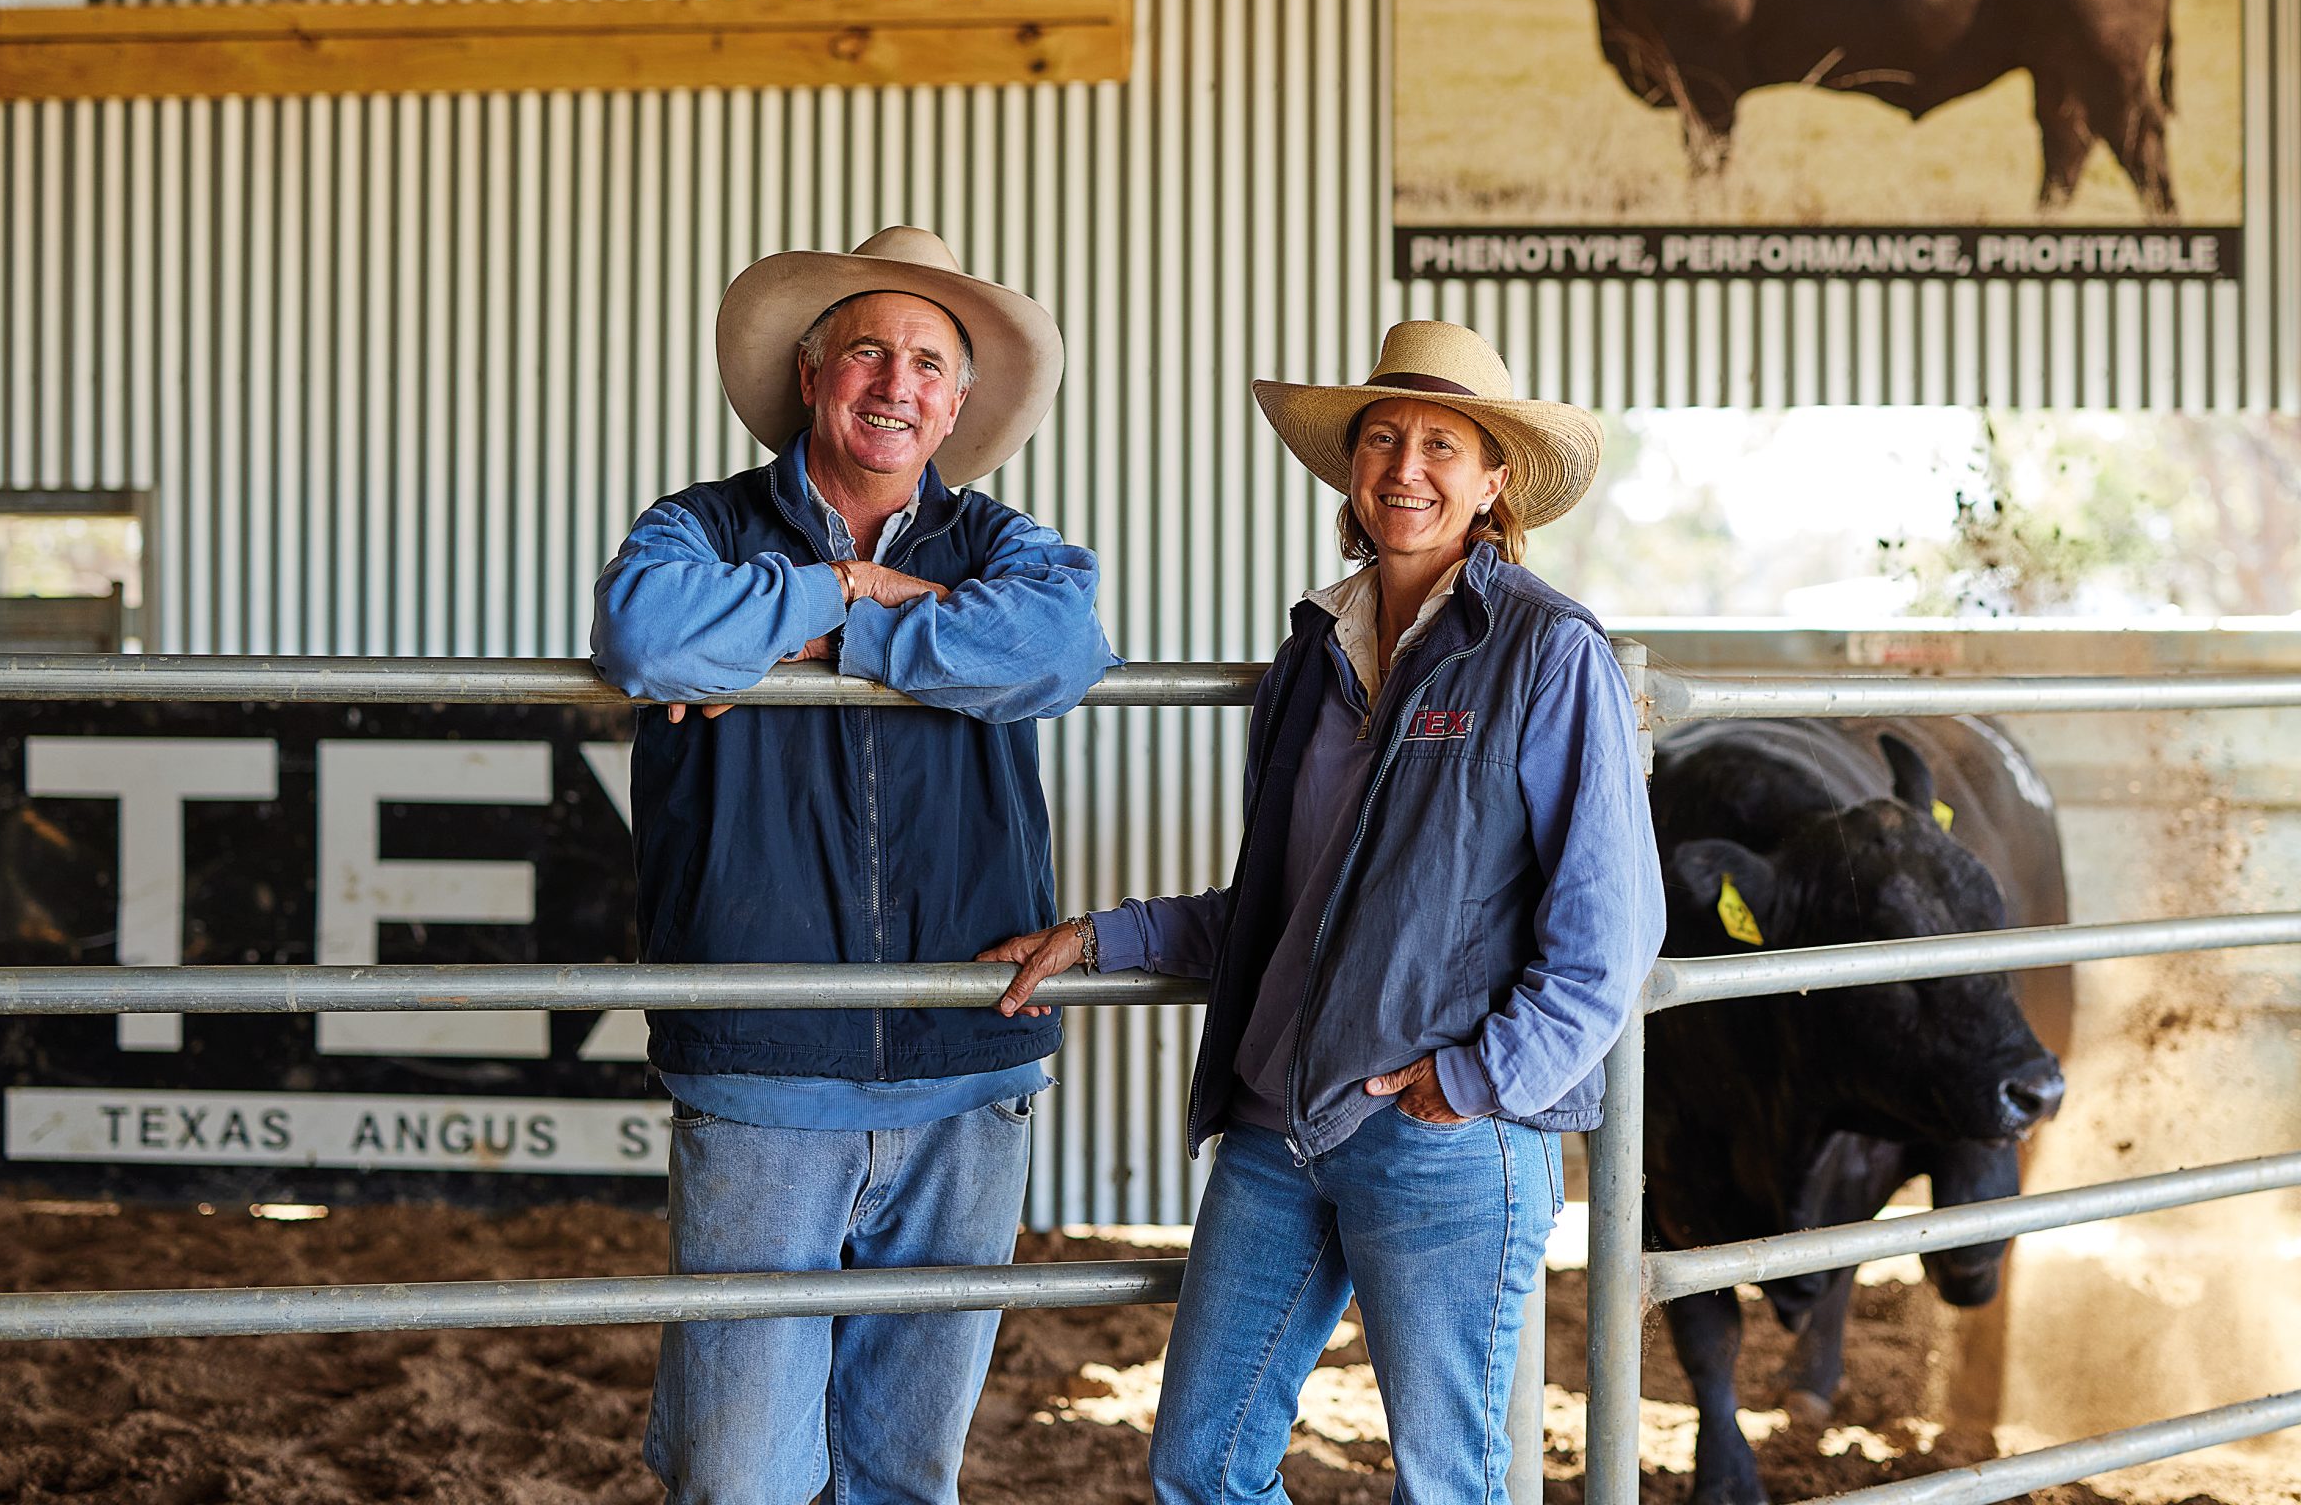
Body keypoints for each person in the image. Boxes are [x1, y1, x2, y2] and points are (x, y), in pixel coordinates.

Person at [981, 319, 1662, 1505]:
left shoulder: (1547, 655)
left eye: (1443, 443)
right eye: (1382, 437)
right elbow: (1289, 903)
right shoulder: (1313, 652)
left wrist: (1481, 1076)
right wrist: (1104, 937)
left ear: (1495, 481)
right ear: (1350, 467)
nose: (1407, 465)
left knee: (1446, 1485)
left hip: (1439, 1130)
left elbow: (1611, 929)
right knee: (1200, 1461)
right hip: (1278, 1124)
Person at [593, 225, 1118, 1505]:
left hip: (966, 1060)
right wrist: (851, 588)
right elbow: (648, 636)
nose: (898, 382)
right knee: (739, 1475)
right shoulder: (695, 527)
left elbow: (1061, 648)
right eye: (869, 351)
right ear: (812, 372)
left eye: (930, 363)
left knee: (906, 1470)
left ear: (956, 404)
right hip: (761, 1052)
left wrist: (814, 646)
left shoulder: (1011, 549)